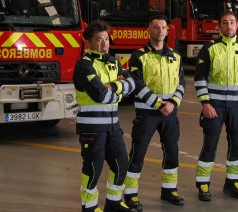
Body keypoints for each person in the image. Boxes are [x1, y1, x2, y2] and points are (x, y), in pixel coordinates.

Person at [124, 15, 186, 210]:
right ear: (148, 31)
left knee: (172, 152)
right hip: (147, 114)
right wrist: (160, 104)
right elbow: (137, 85)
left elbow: (181, 83)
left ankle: (169, 190)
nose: (160, 31)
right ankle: (130, 194)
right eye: (156, 28)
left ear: (167, 31)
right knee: (138, 154)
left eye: (163, 28)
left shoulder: (175, 56)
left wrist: (173, 104)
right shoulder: (138, 56)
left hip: (169, 114)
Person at [74, 20, 136, 212]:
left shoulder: (114, 62)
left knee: (121, 164)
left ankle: (114, 203)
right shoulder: (84, 66)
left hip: (113, 126)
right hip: (92, 128)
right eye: (99, 40)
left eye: (106, 39)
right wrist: (119, 87)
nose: (104, 43)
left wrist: (113, 86)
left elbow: (133, 84)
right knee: (93, 168)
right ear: (88, 42)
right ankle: (89, 207)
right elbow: (100, 95)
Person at [194, 11, 238, 201]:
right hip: (215, 107)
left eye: (232, 23)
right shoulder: (209, 48)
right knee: (209, 145)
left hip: (237, 107)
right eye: (225, 23)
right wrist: (205, 103)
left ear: (237, 26)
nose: (229, 26)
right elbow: (200, 78)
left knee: (236, 146)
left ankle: (232, 183)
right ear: (219, 26)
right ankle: (203, 184)